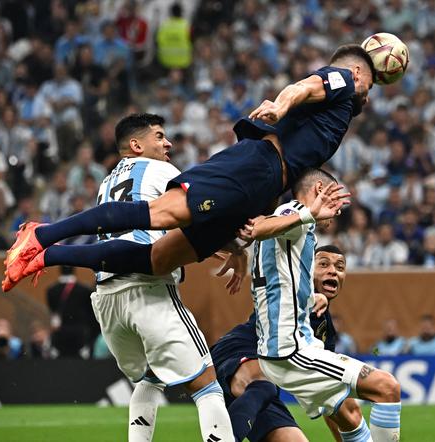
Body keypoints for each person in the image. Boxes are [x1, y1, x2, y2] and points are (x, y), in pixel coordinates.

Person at [2, 43, 375, 291]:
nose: (369, 94)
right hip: (255, 166)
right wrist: (279, 105)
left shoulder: (335, 114)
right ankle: (42, 234)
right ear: (357, 74)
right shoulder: (343, 80)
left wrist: (238, 242)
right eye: (371, 84)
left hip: (262, 187)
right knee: (161, 215)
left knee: (159, 260)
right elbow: (305, 86)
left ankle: (47, 256)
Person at [82, 113, 233, 442]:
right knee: (207, 383)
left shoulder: (107, 182)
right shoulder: (160, 170)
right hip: (147, 289)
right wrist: (230, 241)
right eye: (160, 136)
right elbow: (197, 212)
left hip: (106, 296)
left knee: (149, 378)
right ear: (136, 145)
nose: (169, 144)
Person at [238, 169, 402, 442]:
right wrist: (308, 214)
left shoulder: (294, 226)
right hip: (290, 350)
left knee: (349, 417)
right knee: (387, 387)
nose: (339, 210)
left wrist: (313, 297)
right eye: (336, 198)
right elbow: (258, 229)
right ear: (318, 189)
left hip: (289, 346)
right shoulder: (295, 212)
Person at [210, 243, 364, 442]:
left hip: (257, 398)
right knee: (262, 381)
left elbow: (330, 399)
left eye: (340, 267)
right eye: (323, 264)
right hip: (235, 353)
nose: (332, 271)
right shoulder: (292, 290)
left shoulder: (326, 333)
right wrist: (310, 297)